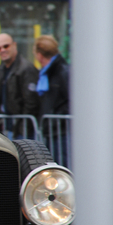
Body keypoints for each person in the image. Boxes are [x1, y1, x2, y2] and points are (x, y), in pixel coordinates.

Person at [0, 33, 39, 139]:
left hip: (22, 130)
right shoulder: (0, 70)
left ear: (14, 45)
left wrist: (23, 127)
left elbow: (32, 102)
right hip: (7, 127)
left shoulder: (26, 68)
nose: (2, 50)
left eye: (6, 46)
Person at [34, 35, 70, 166]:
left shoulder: (61, 71)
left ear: (39, 55)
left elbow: (70, 100)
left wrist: (56, 117)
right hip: (51, 130)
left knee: (63, 169)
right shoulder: (47, 73)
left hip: (61, 130)